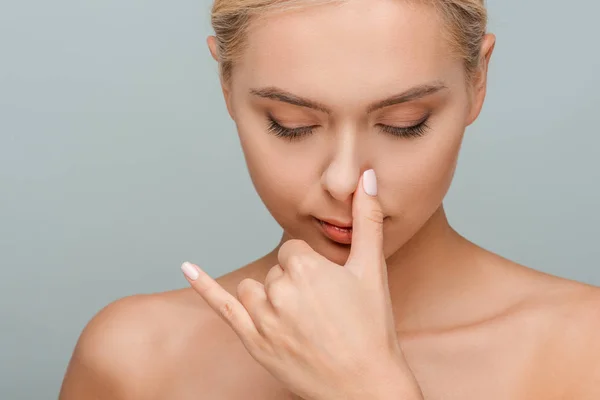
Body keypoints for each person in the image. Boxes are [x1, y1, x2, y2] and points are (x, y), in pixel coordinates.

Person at [58, 0, 600, 398]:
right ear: (226, 84)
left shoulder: (585, 350)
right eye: (290, 125)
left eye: (402, 124)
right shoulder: (135, 360)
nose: (344, 181)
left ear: (478, 80)